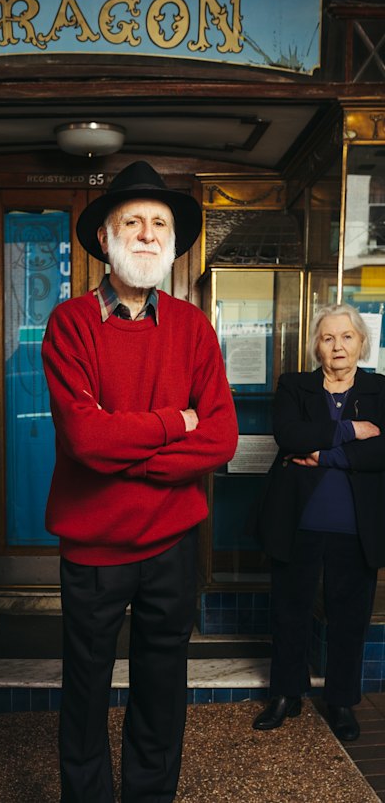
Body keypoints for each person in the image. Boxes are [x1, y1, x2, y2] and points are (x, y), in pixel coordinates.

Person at [42, 161, 238, 803]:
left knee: (162, 689)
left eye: (160, 223)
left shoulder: (192, 327)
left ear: (173, 241)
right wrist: (172, 423)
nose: (149, 233)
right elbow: (84, 440)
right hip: (94, 549)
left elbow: (221, 436)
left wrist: (127, 450)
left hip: (173, 547)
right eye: (134, 221)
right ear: (105, 237)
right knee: (86, 689)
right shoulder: (70, 324)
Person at [254, 302, 385, 742]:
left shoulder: (381, 389)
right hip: (298, 522)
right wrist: (351, 431)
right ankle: (285, 695)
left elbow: (383, 451)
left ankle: (342, 701)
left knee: (350, 619)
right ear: (316, 347)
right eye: (328, 338)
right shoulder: (294, 386)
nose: (338, 346)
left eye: (347, 337)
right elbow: (288, 436)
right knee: (290, 614)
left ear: (362, 342)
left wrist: (323, 453)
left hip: (356, 527)